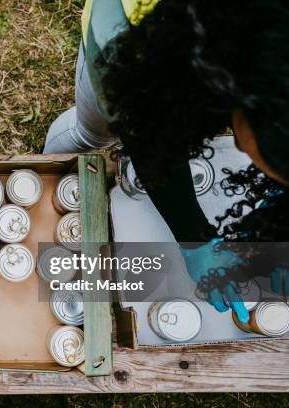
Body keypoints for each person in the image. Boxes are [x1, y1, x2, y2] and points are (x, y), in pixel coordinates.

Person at [45, 0, 289, 322]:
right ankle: (54, 165)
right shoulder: (139, 52)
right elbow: (146, 133)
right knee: (93, 134)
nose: (240, 146)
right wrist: (194, 239)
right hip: (134, 28)